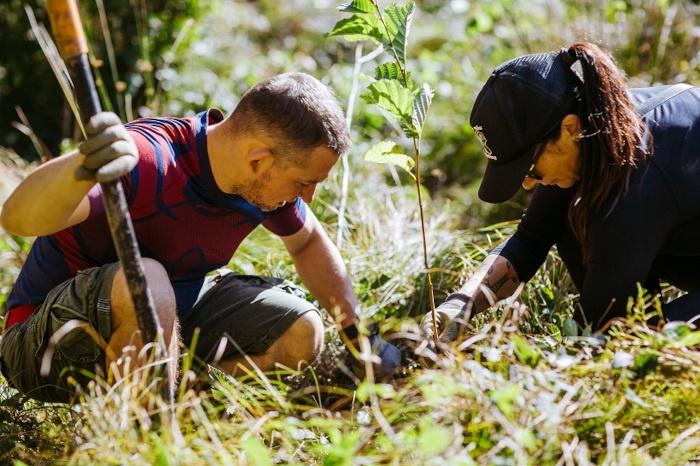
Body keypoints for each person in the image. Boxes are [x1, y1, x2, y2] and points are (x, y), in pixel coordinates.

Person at [0, 72, 400, 403]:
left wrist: (359, 337)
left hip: (165, 326)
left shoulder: (261, 185)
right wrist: (83, 165)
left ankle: (175, 398)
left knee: (301, 332)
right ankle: (146, 440)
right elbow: (17, 219)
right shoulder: (144, 161)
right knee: (150, 281)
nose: (309, 196)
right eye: (304, 182)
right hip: (39, 345)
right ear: (258, 159)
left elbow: (309, 242)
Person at [423, 42, 700, 341]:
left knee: (641, 347)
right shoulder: (597, 127)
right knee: (567, 220)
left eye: (529, 168)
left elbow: (591, 336)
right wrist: (458, 306)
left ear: (569, 128)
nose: (528, 184)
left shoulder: (634, 182)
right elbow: (531, 239)